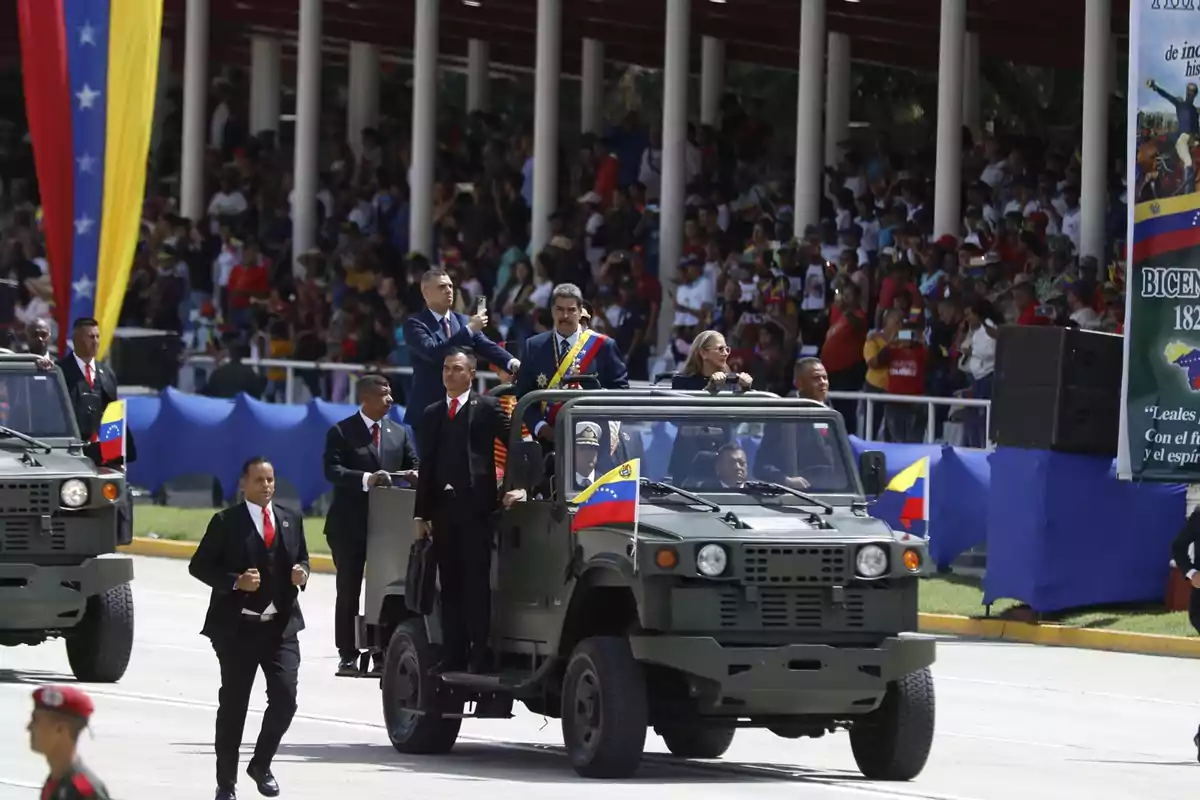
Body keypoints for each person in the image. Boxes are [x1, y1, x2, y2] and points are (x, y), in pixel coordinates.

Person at [188, 456, 310, 800]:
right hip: (238, 629)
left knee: (285, 699)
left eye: (271, 479)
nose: (267, 486)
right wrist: (234, 582)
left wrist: (302, 572)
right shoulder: (226, 522)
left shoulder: (290, 519)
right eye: (259, 480)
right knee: (234, 706)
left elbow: (301, 557)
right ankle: (226, 784)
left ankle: (261, 764)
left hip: (280, 628)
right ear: (244, 484)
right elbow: (199, 567)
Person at [413, 348, 513, 674]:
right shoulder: (432, 413)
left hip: (476, 509)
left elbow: (518, 445)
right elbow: (426, 465)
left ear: (471, 373)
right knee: (449, 584)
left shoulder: (487, 407)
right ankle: (453, 651)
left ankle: (479, 652)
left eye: (457, 369)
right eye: (445, 369)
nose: (449, 374)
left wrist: (518, 484)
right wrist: (421, 514)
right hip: (443, 511)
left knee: (475, 584)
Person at [322, 374, 418, 677]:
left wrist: (413, 474)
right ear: (365, 398)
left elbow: (414, 463)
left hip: (388, 527)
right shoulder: (341, 431)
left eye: (391, 394)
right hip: (349, 525)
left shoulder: (399, 433)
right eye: (384, 395)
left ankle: (380, 652)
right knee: (348, 589)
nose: (390, 400)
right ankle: (347, 654)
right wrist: (367, 479)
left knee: (384, 589)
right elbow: (332, 470)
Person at [402, 269, 519, 444]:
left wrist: (512, 362)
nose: (449, 290)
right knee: (432, 469)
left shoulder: (463, 321)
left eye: (450, 286)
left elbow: (486, 346)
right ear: (426, 292)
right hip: (429, 410)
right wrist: (469, 330)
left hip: (462, 410)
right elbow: (433, 353)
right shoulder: (415, 324)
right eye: (442, 287)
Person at [514, 283, 629, 443]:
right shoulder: (533, 346)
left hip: (594, 440)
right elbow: (523, 396)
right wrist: (542, 428)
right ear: (552, 311)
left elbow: (621, 393)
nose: (565, 316)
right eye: (560, 309)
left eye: (571, 310)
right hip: (547, 443)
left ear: (580, 311)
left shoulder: (604, 346)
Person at [57, 317, 138, 469]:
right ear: (77, 340)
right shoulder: (60, 371)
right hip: (72, 454)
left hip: (103, 453)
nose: (96, 341)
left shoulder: (106, 373)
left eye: (97, 336)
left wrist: (118, 455)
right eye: (91, 337)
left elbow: (113, 413)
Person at [27, 685, 112, 800]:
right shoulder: (55, 780)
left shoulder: (84, 790)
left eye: (35, 720)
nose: (28, 727)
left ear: (60, 729)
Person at [671, 329, 752, 392]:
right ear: (703, 353)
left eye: (727, 349)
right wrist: (711, 388)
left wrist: (745, 388)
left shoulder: (732, 381)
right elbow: (687, 409)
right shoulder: (682, 381)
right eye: (720, 349)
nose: (726, 353)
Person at [573, 421, 602, 488]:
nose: (589, 453)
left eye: (593, 448)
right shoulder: (562, 483)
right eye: (583, 448)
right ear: (572, 451)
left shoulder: (606, 484)